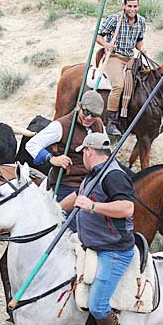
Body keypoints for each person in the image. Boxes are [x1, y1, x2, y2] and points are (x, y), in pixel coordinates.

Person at [60, 132, 135, 325]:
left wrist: (93, 206)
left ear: (88, 151)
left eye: (82, 152)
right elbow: (79, 196)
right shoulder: (94, 174)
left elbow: (127, 207)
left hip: (114, 250)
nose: (82, 157)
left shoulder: (113, 175)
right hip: (92, 244)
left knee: (98, 305)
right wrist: (54, 208)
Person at [26, 90, 104, 228]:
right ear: (79, 106)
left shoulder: (98, 125)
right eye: (86, 112)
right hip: (67, 183)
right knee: (75, 226)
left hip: (92, 182)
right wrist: (51, 158)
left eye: (94, 115)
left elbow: (106, 151)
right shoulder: (60, 126)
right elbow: (32, 144)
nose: (89, 118)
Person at [97, 0, 147, 136]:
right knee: (118, 86)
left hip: (130, 58)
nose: (132, 9)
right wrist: (106, 45)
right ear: (124, 6)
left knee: (144, 82)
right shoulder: (115, 19)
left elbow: (138, 40)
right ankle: (110, 122)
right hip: (114, 57)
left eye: (135, 6)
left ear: (139, 6)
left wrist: (141, 48)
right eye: (129, 6)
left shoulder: (141, 21)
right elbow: (98, 36)